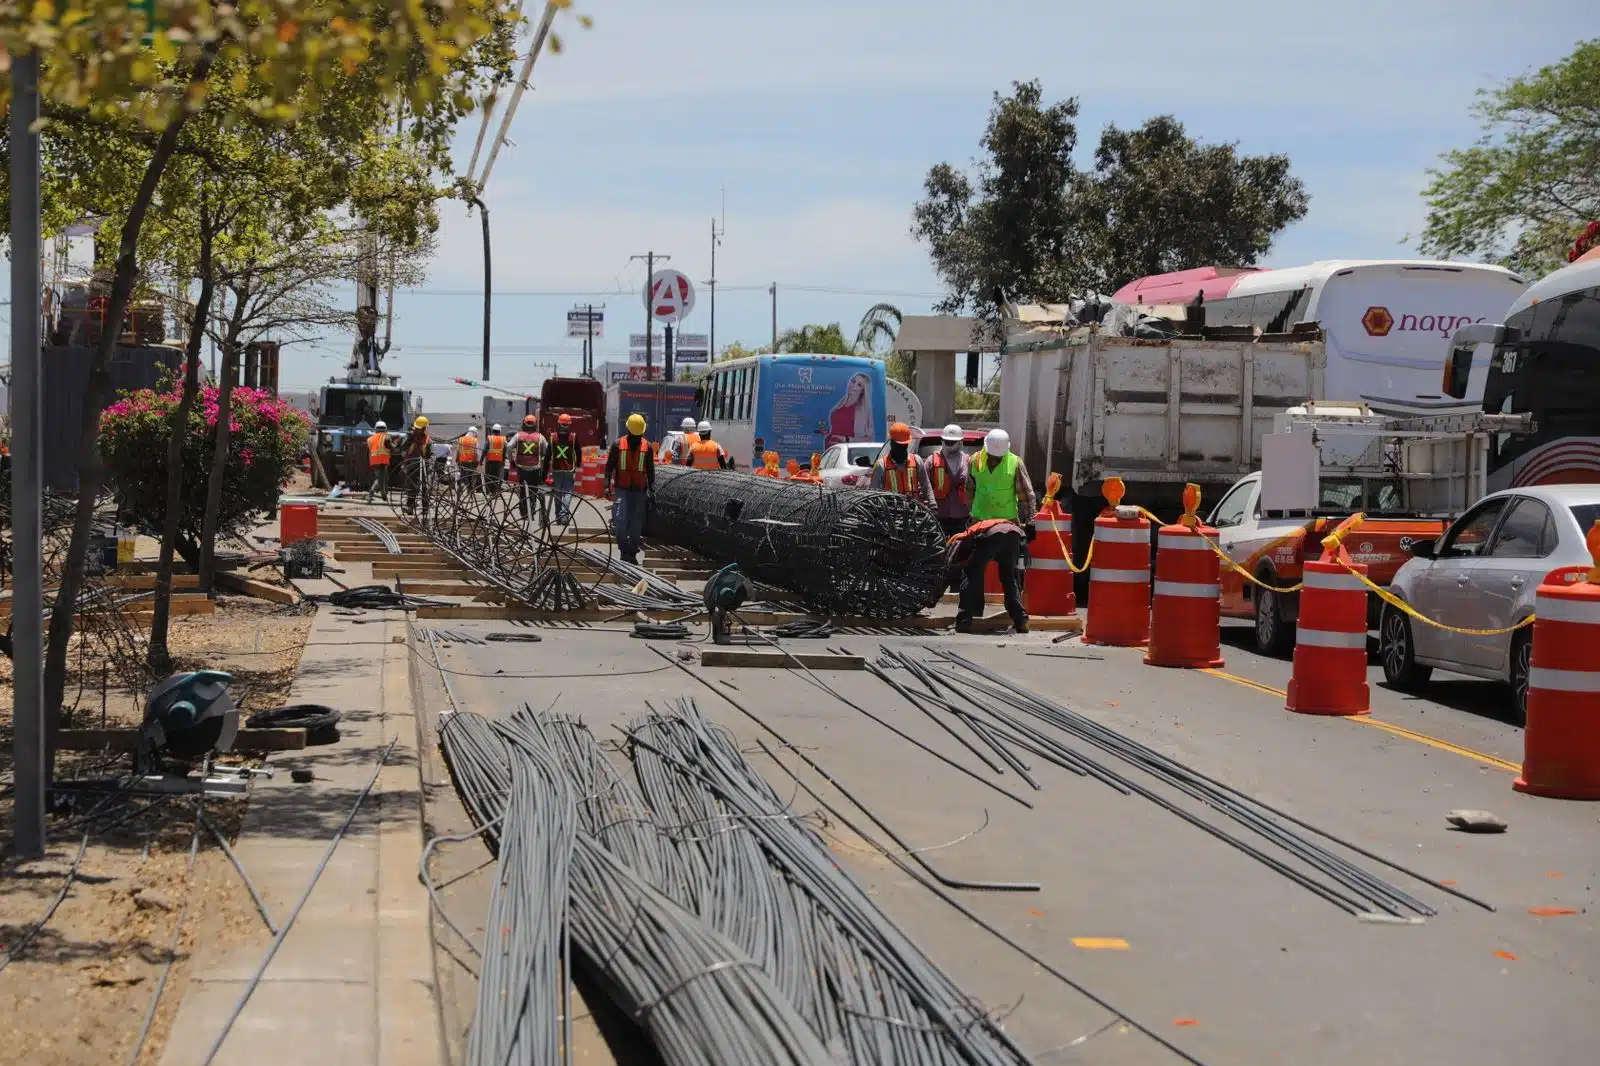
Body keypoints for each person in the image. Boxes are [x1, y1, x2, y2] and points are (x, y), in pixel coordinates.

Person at [955, 428, 1037, 634]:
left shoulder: (1011, 462)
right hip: (1001, 528)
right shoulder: (979, 461)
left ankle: (964, 619)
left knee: (972, 570)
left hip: (993, 528)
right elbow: (970, 488)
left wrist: (1030, 521)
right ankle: (1020, 620)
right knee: (1008, 575)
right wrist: (1030, 523)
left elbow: (1026, 496)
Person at [605, 413, 655, 565]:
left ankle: (631, 553)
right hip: (622, 489)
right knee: (620, 520)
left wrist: (651, 489)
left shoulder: (648, 447)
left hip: (639, 491)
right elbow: (609, 467)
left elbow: (650, 470)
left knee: (635, 523)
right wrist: (606, 485)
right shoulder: (617, 445)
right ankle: (624, 549)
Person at [869, 422, 934, 504]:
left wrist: (933, 505)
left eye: (904, 445)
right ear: (892, 443)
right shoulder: (881, 465)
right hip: (891, 512)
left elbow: (926, 486)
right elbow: (874, 493)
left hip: (913, 511)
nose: (902, 448)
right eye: (899, 445)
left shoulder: (917, 460)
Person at [929, 423, 973, 537]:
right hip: (939, 516)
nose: (949, 445)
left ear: (960, 442)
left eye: (952, 442)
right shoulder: (931, 461)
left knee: (960, 549)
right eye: (947, 442)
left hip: (962, 516)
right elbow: (924, 487)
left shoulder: (968, 461)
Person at [510, 415, 547, 523]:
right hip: (535, 468)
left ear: (524, 423)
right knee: (533, 490)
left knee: (523, 489)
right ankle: (532, 510)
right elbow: (546, 450)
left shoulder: (518, 436)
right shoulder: (540, 437)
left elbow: (508, 446)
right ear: (535, 424)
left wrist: (512, 460)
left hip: (522, 467)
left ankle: (524, 512)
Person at [543, 413, 579, 522]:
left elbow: (548, 455)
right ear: (569, 425)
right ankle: (564, 516)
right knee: (567, 493)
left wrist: (544, 472)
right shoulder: (573, 437)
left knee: (557, 493)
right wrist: (578, 464)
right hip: (569, 469)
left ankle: (558, 516)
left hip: (556, 469)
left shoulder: (553, 437)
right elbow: (579, 451)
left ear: (558, 424)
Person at [825, 372, 875, 447]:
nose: (854, 385)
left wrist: (846, 439)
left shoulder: (862, 410)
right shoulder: (840, 404)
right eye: (853, 381)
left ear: (862, 391)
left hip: (846, 450)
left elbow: (869, 439)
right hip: (830, 448)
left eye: (859, 385)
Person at [402, 416, 431, 515]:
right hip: (411, 466)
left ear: (423, 429)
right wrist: (409, 438)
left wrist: (429, 464)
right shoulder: (411, 438)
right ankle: (410, 507)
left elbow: (432, 455)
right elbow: (403, 448)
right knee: (411, 487)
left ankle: (425, 509)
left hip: (423, 467)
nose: (416, 430)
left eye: (418, 428)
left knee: (424, 488)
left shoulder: (428, 441)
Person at [365, 420, 391, 502]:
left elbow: (370, 449)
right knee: (380, 479)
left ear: (375, 429)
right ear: (385, 429)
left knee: (381, 478)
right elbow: (391, 447)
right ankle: (370, 493)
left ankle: (384, 496)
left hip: (374, 460)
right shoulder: (387, 437)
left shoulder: (370, 439)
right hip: (383, 460)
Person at [455, 425, 481, 489]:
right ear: (474, 433)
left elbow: (457, 451)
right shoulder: (475, 440)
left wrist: (457, 459)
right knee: (470, 477)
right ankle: (469, 490)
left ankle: (461, 488)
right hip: (471, 462)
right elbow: (477, 453)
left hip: (462, 461)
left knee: (463, 476)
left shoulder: (460, 439)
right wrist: (478, 462)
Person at [484, 423, 507, 494]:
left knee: (488, 476)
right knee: (496, 477)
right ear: (499, 431)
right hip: (498, 462)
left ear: (492, 430)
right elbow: (504, 451)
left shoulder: (489, 438)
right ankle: (494, 492)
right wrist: (503, 461)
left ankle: (488, 492)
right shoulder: (503, 439)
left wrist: (481, 460)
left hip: (489, 461)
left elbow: (485, 449)